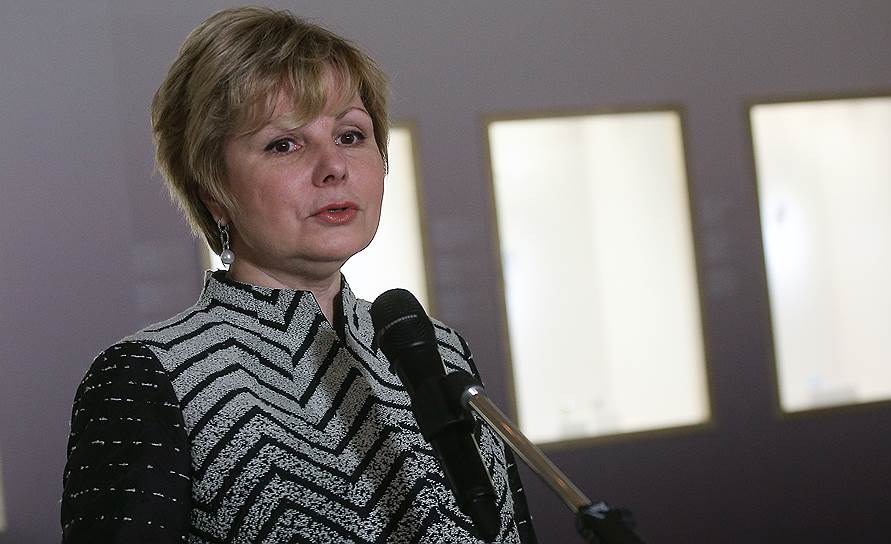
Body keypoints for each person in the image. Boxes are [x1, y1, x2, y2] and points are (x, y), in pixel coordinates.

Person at [61, 7, 536, 543]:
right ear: (213, 188)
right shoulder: (150, 377)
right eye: (284, 144)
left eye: (351, 136)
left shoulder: (438, 351)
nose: (333, 166)